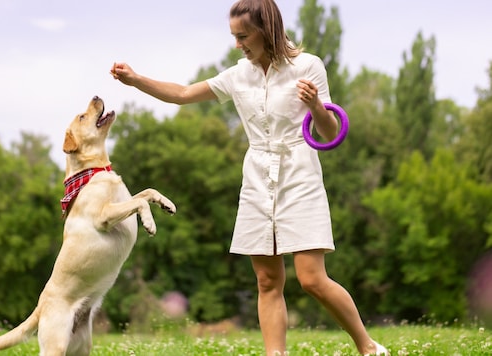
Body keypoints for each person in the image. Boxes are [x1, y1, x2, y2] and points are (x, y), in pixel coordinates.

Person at [110, 0, 388, 355]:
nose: (237, 43)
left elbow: (330, 129)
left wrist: (317, 105)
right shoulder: (238, 75)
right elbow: (181, 94)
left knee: (311, 278)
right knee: (267, 279)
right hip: (257, 176)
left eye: (243, 35)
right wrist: (135, 80)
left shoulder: (308, 66)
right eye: (234, 36)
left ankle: (368, 346)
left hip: (299, 173)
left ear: (266, 30)